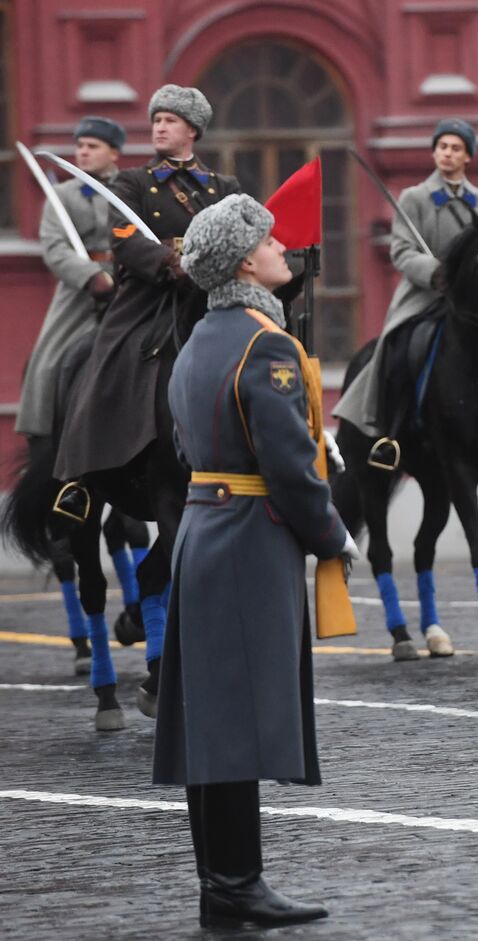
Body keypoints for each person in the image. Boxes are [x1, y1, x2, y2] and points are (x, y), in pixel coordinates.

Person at [154, 193, 356, 928]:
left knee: (210, 720)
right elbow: (290, 463)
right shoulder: (263, 342)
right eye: (270, 242)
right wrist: (332, 535)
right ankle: (238, 882)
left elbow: (185, 447)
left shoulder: (198, 341)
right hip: (248, 536)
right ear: (245, 261)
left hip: (202, 531)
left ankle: (223, 885)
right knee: (236, 720)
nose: (282, 249)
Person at [53, 84, 241, 491]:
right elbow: (123, 236)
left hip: (210, 296)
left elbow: (243, 233)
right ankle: (85, 474)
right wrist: (170, 262)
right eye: (156, 120)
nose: (159, 128)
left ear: (192, 130)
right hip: (148, 296)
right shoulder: (132, 182)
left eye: (170, 121)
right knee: (108, 358)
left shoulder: (224, 187)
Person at [333, 118, 478, 470]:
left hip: (469, 304)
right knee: (402, 348)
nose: (447, 154)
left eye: (455, 148)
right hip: (424, 298)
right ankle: (390, 433)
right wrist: (436, 272)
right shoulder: (414, 198)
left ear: (467, 156)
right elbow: (402, 251)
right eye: (442, 147)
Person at [16, 116, 125, 440]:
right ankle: (42, 433)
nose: (83, 152)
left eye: (93, 146)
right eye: (80, 146)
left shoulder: (130, 189)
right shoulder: (61, 196)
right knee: (48, 360)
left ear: (114, 153)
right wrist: (92, 277)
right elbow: (54, 246)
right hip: (80, 289)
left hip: (127, 281)